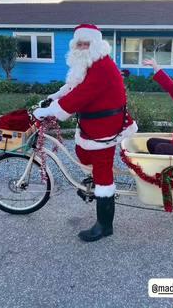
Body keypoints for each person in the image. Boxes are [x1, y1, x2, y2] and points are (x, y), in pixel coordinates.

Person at [34, 24, 137, 242]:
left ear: (96, 45)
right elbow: (74, 87)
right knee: (82, 151)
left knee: (103, 172)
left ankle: (104, 225)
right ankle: (94, 183)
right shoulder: (89, 65)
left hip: (104, 129)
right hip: (93, 125)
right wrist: (54, 98)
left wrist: (51, 110)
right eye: (78, 43)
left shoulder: (102, 67)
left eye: (85, 43)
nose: (81, 47)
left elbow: (80, 96)